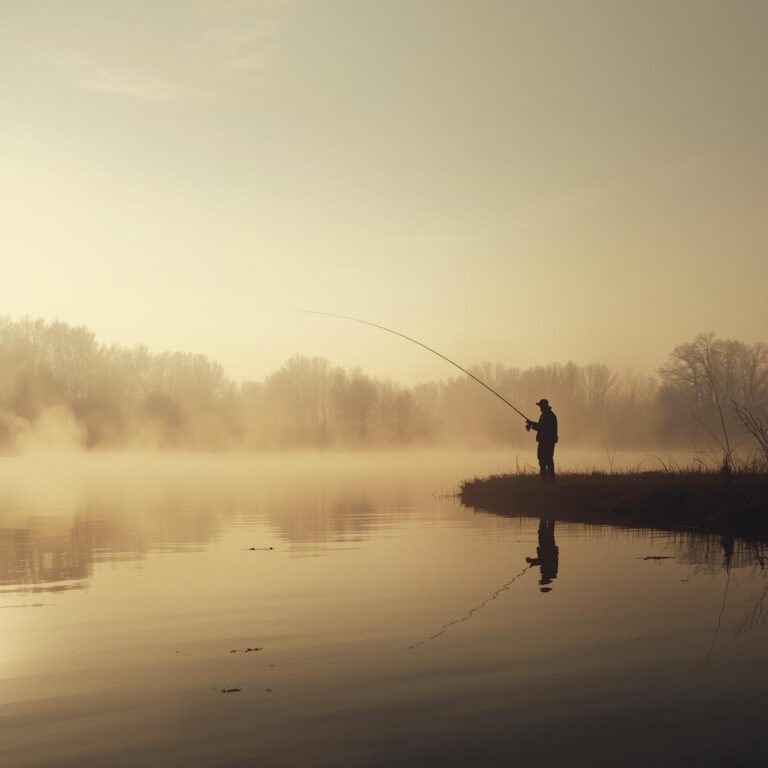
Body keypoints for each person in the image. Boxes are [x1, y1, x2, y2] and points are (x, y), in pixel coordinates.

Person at [526, 398, 558, 481]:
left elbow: (541, 427)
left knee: (546, 460)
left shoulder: (548, 416)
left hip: (546, 442)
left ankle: (548, 480)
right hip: (545, 441)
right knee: (543, 460)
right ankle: (547, 480)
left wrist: (532, 425)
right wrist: (531, 423)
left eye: (540, 406)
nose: (539, 408)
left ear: (544, 406)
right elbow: (540, 425)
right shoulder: (546, 414)